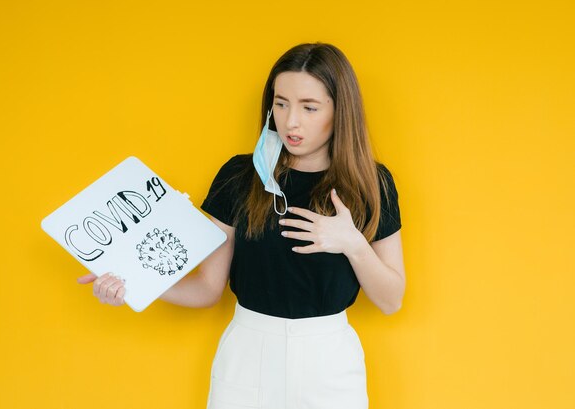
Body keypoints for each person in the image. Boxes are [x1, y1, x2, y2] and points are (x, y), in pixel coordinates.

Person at [78, 42, 405, 409]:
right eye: (280, 103)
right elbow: (207, 289)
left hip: (330, 361)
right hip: (248, 355)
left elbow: (391, 300)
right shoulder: (239, 176)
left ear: (340, 111)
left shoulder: (371, 183)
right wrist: (132, 282)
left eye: (309, 107)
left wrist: (353, 244)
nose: (291, 121)